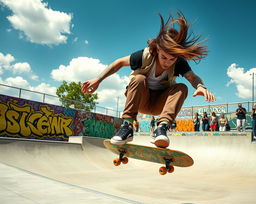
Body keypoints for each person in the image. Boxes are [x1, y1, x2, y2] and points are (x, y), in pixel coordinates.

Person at [81, 12, 216, 148]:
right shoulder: (144, 55)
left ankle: (161, 128)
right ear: (158, 49)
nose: (167, 62)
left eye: (172, 59)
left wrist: (200, 86)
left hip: (159, 104)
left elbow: (192, 77)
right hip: (140, 100)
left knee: (182, 87)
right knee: (139, 78)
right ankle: (127, 126)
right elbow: (119, 62)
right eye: (164, 57)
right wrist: (98, 79)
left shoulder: (179, 62)